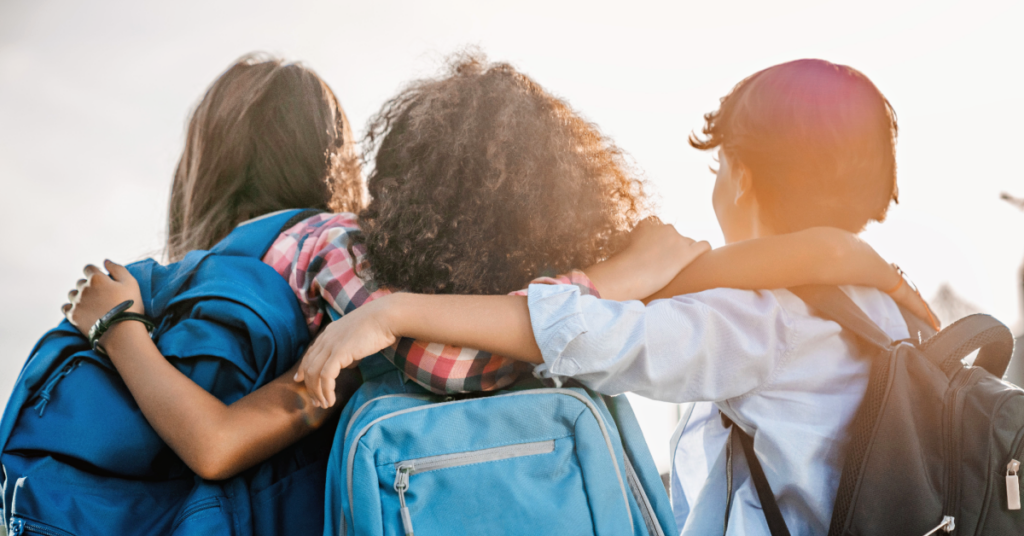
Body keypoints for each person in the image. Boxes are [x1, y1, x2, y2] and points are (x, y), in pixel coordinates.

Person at [68, 54, 927, 491]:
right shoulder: (811, 308)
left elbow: (222, 443)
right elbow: (614, 303)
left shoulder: (331, 265)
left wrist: (115, 325)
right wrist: (847, 255)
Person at [294, 59, 930, 536]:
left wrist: (394, 310)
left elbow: (576, 331)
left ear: (739, 176)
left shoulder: (761, 319)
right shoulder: (885, 306)